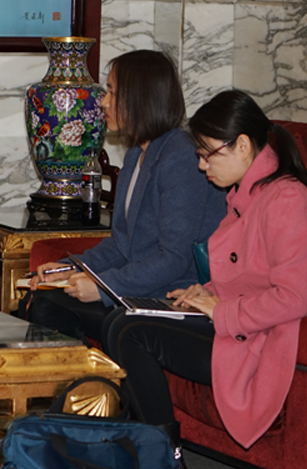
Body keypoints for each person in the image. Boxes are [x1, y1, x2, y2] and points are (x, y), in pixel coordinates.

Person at [106, 90, 307, 449]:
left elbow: (296, 297)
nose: (203, 166)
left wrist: (222, 310)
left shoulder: (287, 199)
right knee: (121, 319)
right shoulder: (249, 193)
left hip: (260, 338)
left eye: (207, 154)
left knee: (130, 331)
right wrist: (207, 292)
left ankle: (165, 456)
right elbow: (249, 274)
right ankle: (142, 447)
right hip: (237, 324)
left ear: (242, 146)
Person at [23, 50, 226, 343]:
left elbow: (174, 258)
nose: (103, 102)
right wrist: (71, 268)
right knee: (41, 301)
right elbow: (121, 245)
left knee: (56, 310)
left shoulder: (180, 157)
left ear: (140, 98)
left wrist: (104, 287)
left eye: (112, 92)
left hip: (173, 293)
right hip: (137, 289)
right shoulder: (135, 156)